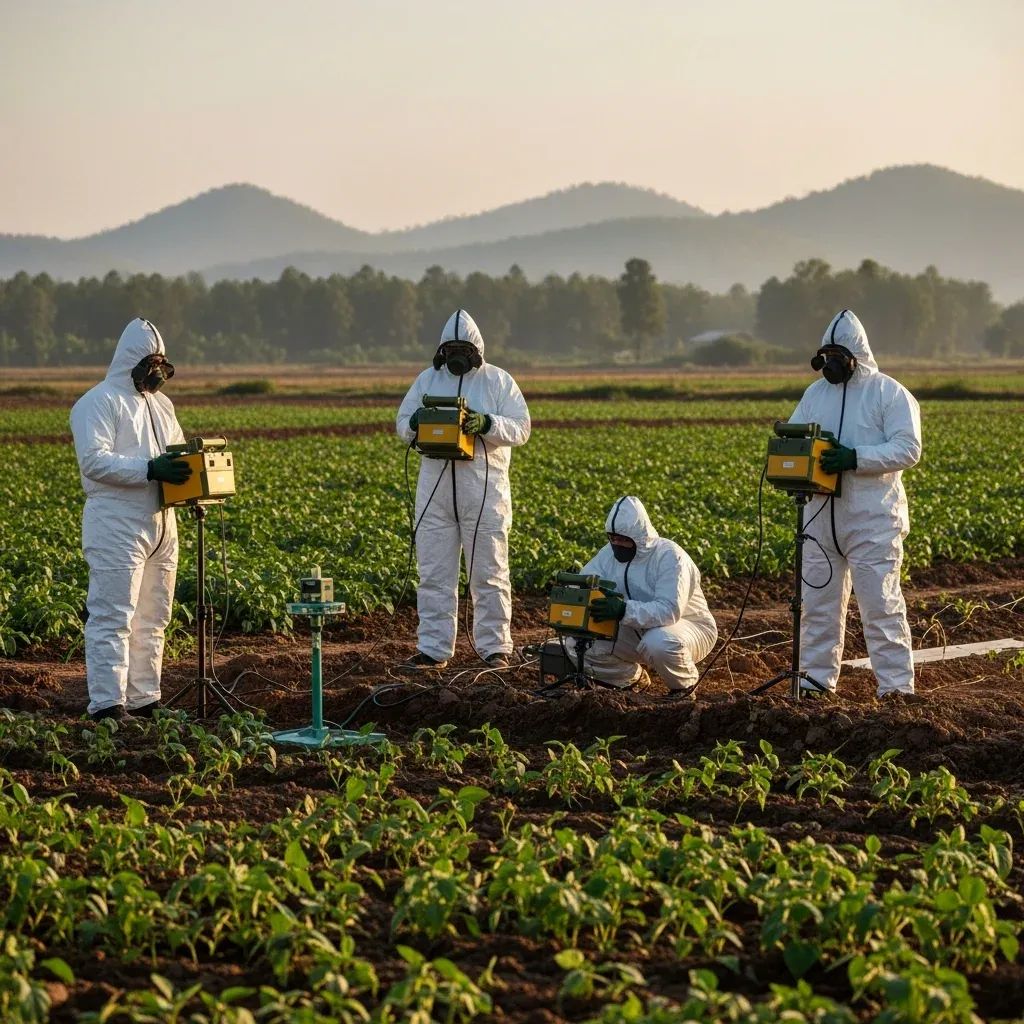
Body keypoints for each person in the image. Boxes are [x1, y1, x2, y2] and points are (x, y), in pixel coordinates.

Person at [789, 309, 922, 697]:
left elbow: (908, 448)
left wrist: (855, 458)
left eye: (836, 356)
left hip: (872, 519)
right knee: (818, 608)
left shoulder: (888, 392)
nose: (829, 364)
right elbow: (797, 437)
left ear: (854, 356)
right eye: (824, 356)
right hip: (818, 516)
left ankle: (896, 689)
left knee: (880, 606)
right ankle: (815, 683)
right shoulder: (815, 394)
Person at [70, 318, 192, 720]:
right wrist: (150, 469)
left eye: (161, 361)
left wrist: (190, 481)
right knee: (114, 613)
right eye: (150, 360)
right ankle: (107, 704)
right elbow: (94, 460)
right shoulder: (99, 402)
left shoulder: (161, 405)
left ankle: (145, 698)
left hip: (161, 519)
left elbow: (173, 454)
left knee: (154, 616)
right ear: (130, 360)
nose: (156, 369)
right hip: (116, 520)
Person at [396, 309, 531, 669]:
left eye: (463, 348)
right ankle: (434, 648)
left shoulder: (498, 382)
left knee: (489, 573)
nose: (456, 354)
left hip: (484, 493)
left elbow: (521, 428)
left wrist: (487, 423)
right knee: (434, 574)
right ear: (442, 349)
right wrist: (414, 422)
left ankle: (495, 648)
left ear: (476, 349)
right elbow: (401, 423)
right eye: (450, 348)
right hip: (434, 492)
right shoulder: (427, 380)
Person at [570, 495, 718, 696]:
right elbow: (586, 579)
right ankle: (632, 680)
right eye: (613, 538)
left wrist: (623, 609)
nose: (617, 544)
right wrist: (573, 589)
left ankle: (684, 688)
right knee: (580, 645)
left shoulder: (670, 557)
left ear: (638, 537)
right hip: (636, 628)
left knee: (659, 642)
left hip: (689, 627)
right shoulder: (608, 555)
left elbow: (669, 610)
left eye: (623, 539)